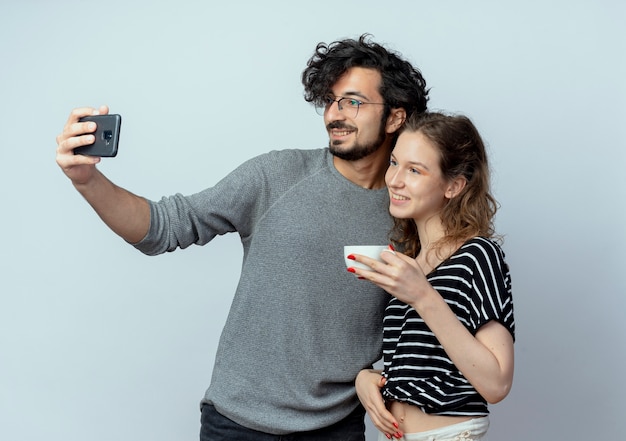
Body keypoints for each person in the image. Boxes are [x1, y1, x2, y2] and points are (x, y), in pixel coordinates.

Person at [55, 34, 429, 441]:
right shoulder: (276, 176)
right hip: (236, 425)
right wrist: (87, 180)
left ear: (394, 118)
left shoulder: (411, 214)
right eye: (331, 101)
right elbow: (164, 226)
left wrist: (376, 375)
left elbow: (422, 325)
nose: (335, 115)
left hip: (336, 428)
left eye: (353, 102)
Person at [349, 112, 515, 441]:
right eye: (395, 163)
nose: (394, 180)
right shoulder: (410, 262)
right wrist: (368, 379)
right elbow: (432, 365)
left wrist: (423, 296)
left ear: (453, 185)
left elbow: (496, 383)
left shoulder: (476, 256)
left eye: (414, 170)